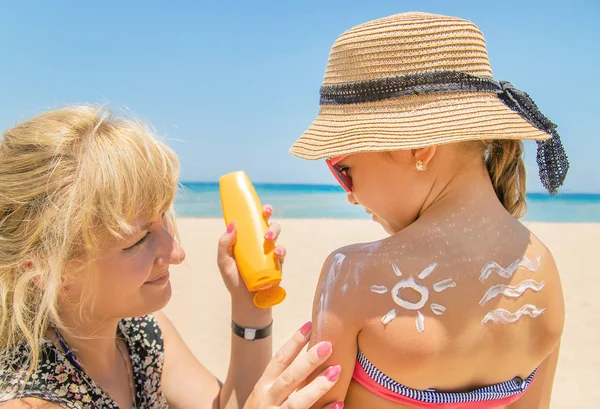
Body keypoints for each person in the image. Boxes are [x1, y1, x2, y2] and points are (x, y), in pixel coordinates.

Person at [289, 12, 569, 409]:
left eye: (344, 169)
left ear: (418, 148)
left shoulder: (350, 275)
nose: (349, 195)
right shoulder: (543, 266)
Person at [0, 106, 344, 409]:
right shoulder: (28, 400)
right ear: (47, 271)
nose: (176, 253)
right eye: (138, 240)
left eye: (163, 218)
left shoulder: (137, 332)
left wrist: (250, 306)